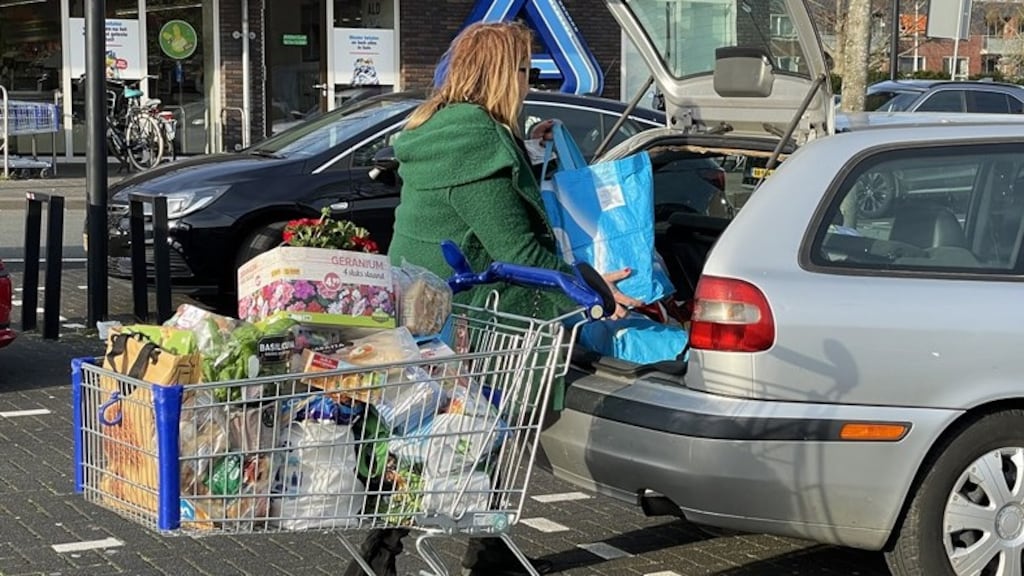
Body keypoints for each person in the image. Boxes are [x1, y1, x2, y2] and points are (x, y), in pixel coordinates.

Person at [342, 21, 641, 576]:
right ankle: (411, 556)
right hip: (466, 315)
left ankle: (462, 551)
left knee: (434, 435)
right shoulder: (478, 142)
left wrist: (528, 149)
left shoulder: (441, 127)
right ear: (504, 74)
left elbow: (476, 201)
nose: (530, 82)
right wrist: (597, 288)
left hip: (424, 304)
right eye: (525, 71)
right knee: (475, 431)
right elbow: (518, 247)